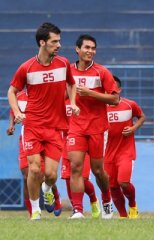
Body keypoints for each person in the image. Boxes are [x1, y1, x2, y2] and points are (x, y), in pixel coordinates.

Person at [7, 22, 79, 220]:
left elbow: (72, 84)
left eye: (59, 41)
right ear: (42, 42)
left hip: (56, 127)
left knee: (50, 174)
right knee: (34, 169)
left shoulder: (63, 63)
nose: (59, 45)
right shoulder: (27, 68)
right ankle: (35, 211)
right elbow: (12, 91)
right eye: (54, 42)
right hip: (33, 126)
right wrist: (17, 112)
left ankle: (48, 189)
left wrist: (72, 102)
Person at [68, 34, 119, 219]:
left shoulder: (101, 72)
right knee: (76, 167)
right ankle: (77, 210)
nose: (90, 51)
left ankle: (106, 199)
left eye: (93, 48)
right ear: (77, 49)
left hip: (98, 127)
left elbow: (115, 99)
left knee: (98, 171)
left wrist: (90, 93)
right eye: (87, 47)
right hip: (76, 127)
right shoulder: (68, 72)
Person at [6, 89, 63, 218]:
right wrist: (12, 125)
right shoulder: (19, 96)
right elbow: (13, 111)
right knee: (28, 175)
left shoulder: (46, 93)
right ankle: (34, 212)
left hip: (47, 136)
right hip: (27, 137)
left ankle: (53, 194)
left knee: (46, 174)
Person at [104, 76, 146, 219]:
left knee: (123, 182)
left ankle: (133, 205)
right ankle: (123, 216)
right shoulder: (101, 108)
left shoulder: (129, 105)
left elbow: (141, 117)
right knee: (113, 186)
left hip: (125, 151)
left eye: (113, 89)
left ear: (119, 90)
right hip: (107, 152)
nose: (110, 91)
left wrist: (133, 128)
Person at [61, 99, 101, 218]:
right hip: (66, 142)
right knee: (69, 179)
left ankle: (93, 199)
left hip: (83, 142)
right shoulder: (60, 101)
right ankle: (77, 210)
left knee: (81, 178)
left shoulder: (84, 100)